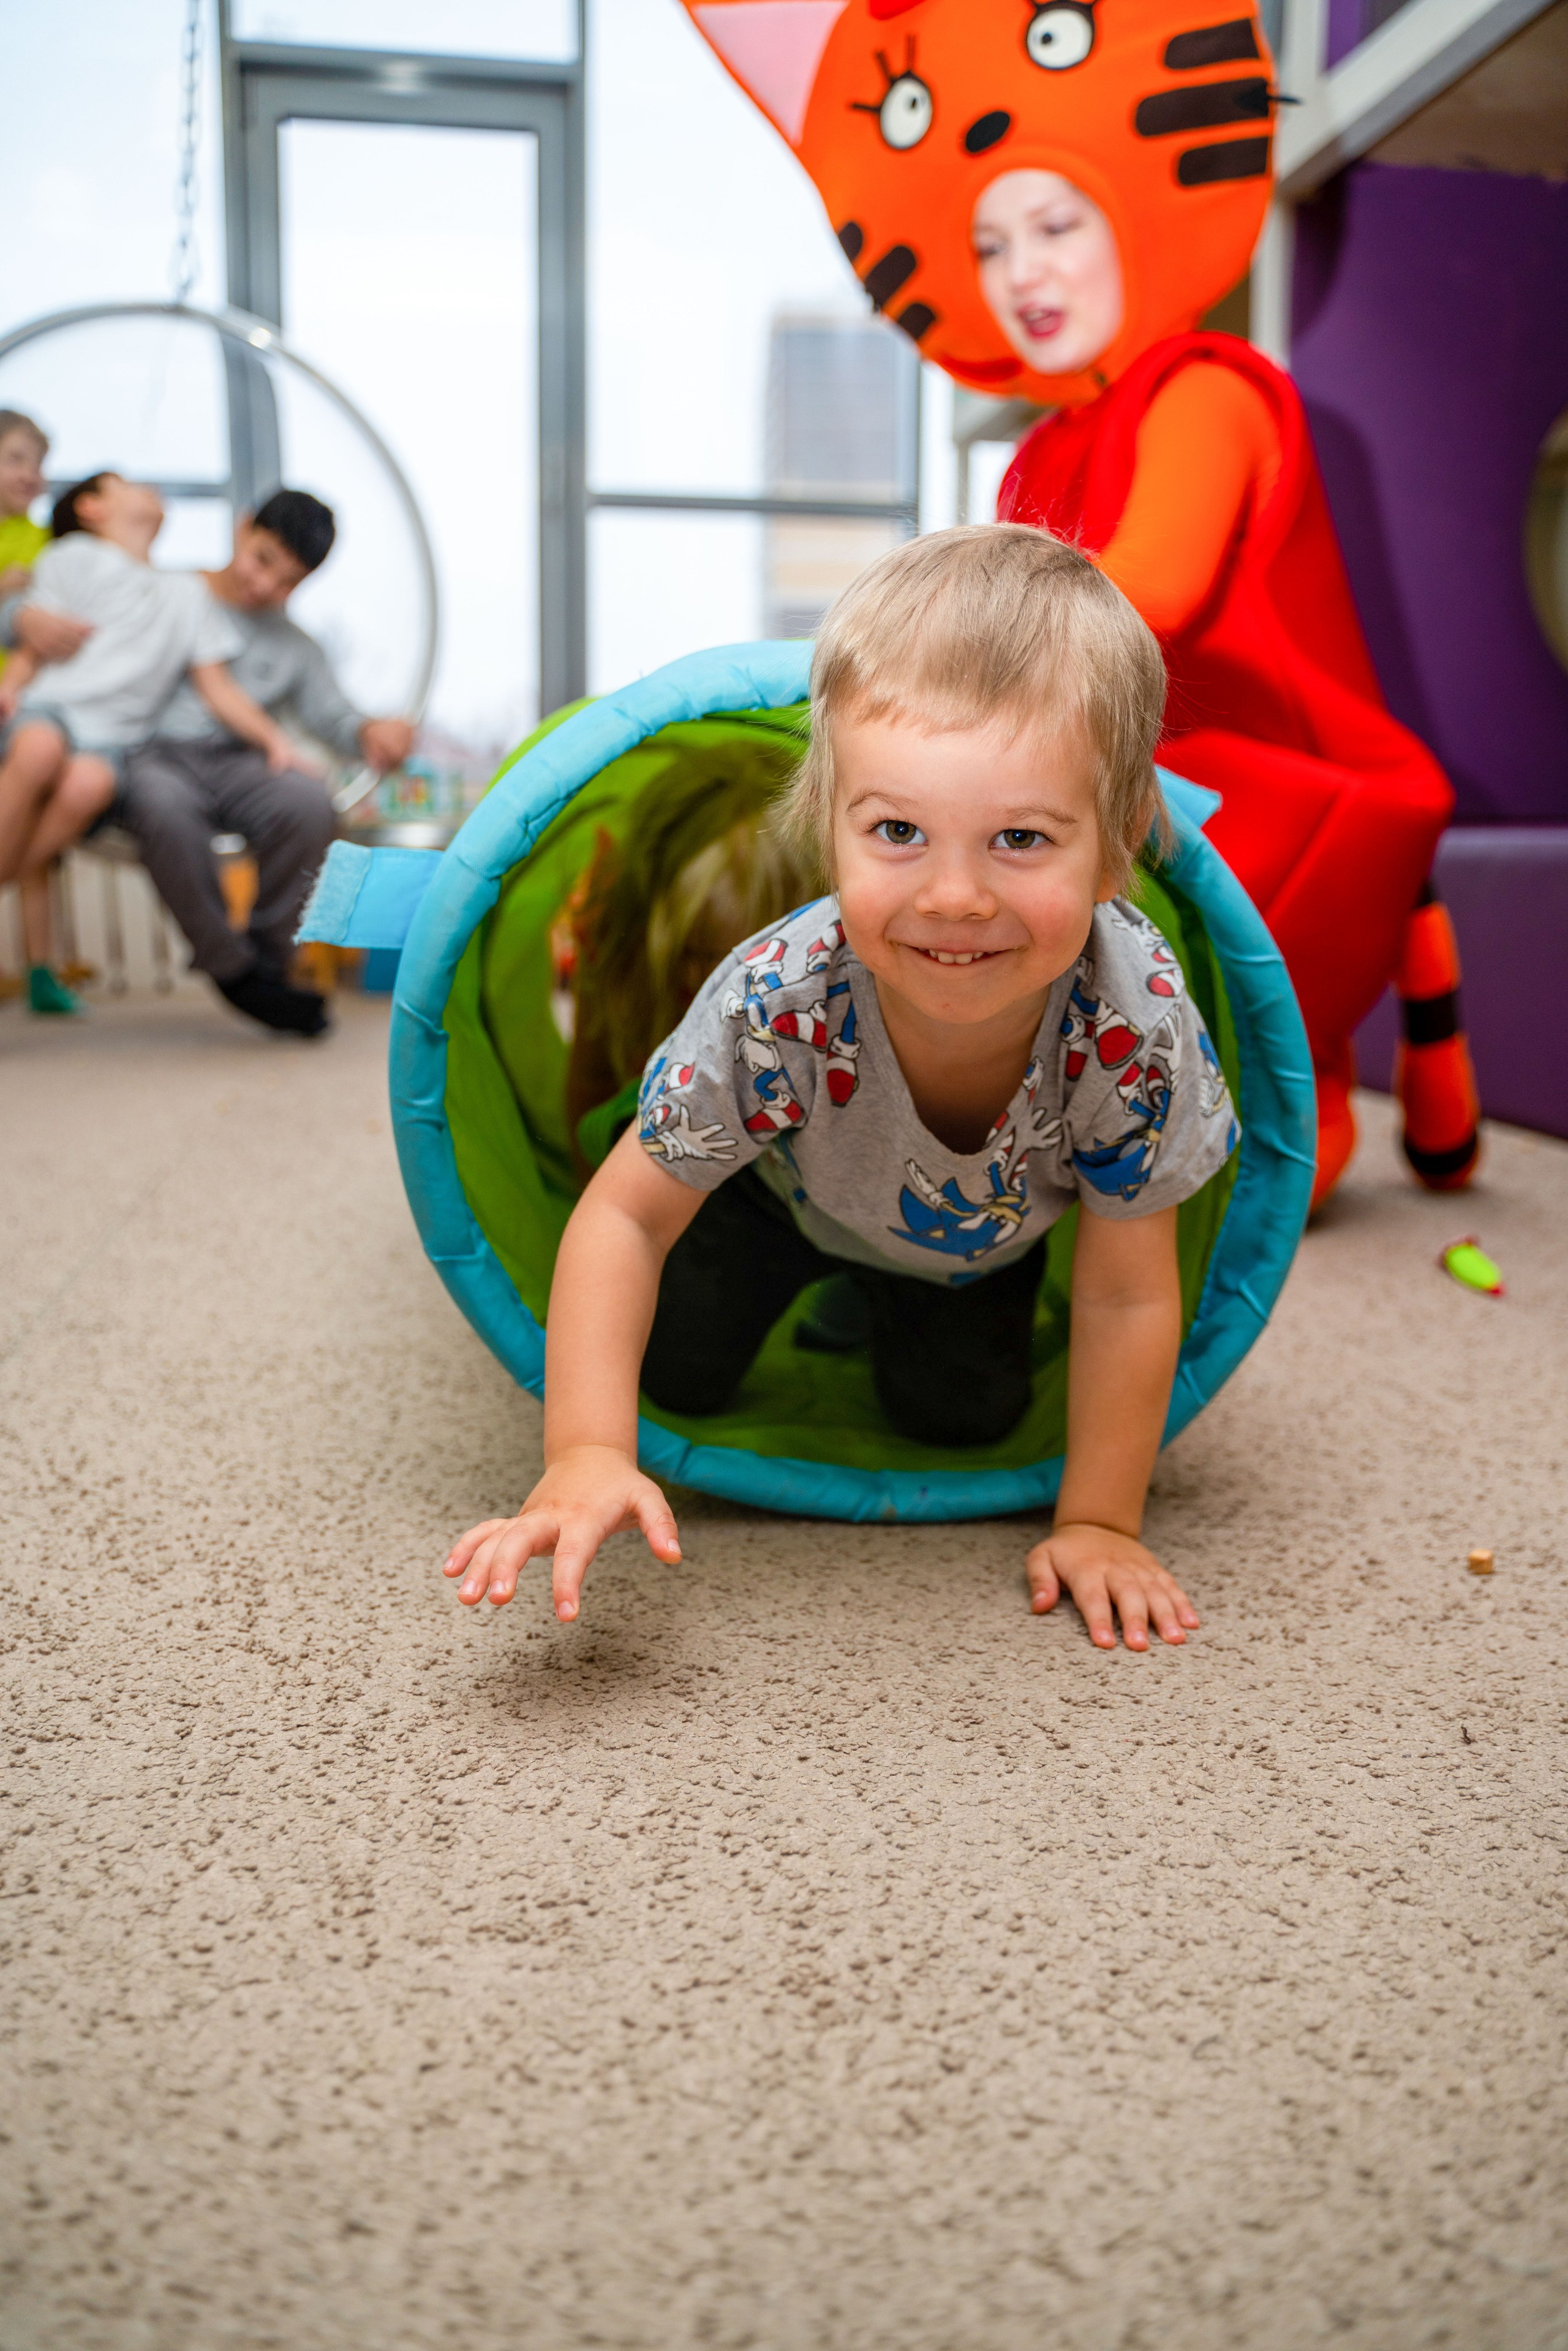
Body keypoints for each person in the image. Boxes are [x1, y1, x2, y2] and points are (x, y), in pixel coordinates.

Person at [443, 527, 1241, 1650]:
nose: (954, 896)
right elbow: (624, 1217)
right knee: (677, 1372)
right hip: (769, 1194)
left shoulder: (1133, 1023)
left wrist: (1101, 1519)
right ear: (832, 829)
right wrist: (585, 1453)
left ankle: (864, 1305)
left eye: (1020, 837)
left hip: (978, 1249)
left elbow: (1124, 1291)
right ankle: (665, 1116)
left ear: (1114, 854)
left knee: (966, 1418)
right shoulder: (782, 998)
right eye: (899, 831)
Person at [0, 473, 298, 1017]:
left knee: (90, 783)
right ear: (91, 507)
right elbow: (35, 642)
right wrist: (10, 687)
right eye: (126, 484)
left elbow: (218, 688)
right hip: (51, 711)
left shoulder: (187, 595)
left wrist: (273, 739)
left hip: (109, 740)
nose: (148, 490)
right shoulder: (74, 557)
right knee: (40, 750)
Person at [119, 490, 415, 1036]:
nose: (268, 588)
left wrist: (374, 730)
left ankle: (269, 959)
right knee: (162, 807)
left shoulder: (297, 645)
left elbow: (335, 716)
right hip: (155, 754)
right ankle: (232, 969)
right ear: (241, 528)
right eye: (262, 561)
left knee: (309, 804)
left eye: (290, 582)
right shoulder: (172, 594)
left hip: (242, 762)